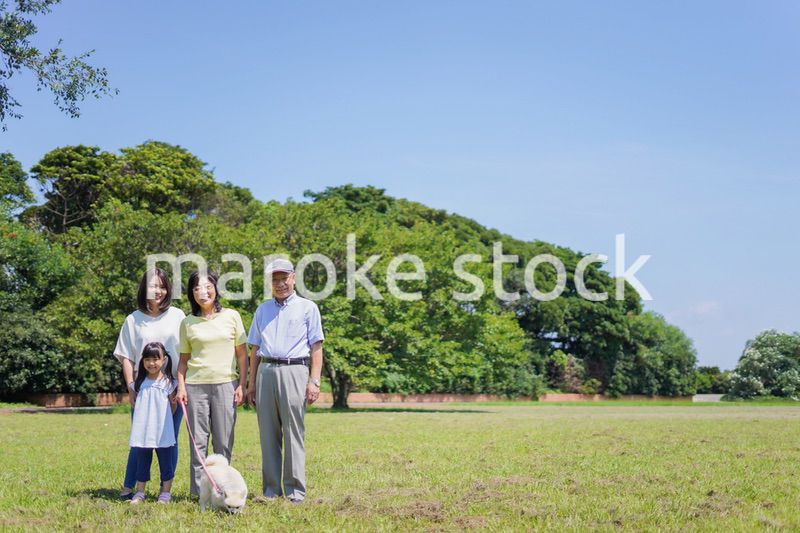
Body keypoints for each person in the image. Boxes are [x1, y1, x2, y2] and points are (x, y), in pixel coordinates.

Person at [246, 258, 324, 503]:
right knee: (268, 434)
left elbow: (316, 346)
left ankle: (295, 491)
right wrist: (250, 383)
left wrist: (314, 381)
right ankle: (271, 490)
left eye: (284, 278)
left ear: (293, 277)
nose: (280, 284)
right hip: (266, 370)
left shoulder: (308, 308)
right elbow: (254, 348)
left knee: (293, 433)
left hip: (295, 371)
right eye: (274, 279)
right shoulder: (262, 310)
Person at [114, 268, 185, 500]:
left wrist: (181, 386)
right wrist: (131, 386)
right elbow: (126, 356)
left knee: (168, 441)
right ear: (144, 287)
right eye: (153, 285)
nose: (158, 290)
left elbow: (186, 353)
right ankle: (130, 486)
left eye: (163, 286)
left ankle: (166, 490)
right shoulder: (133, 319)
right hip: (143, 390)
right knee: (140, 440)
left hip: (171, 390)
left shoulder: (177, 316)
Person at [175, 270, 248, 496]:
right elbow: (183, 361)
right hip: (195, 386)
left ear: (216, 289)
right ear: (191, 293)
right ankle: (199, 493)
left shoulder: (232, 316)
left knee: (223, 442)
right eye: (196, 288)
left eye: (207, 287)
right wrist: (181, 386)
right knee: (198, 444)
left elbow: (243, 355)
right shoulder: (188, 322)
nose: (202, 292)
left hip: (226, 384)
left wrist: (242, 384)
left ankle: (223, 490)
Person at [128, 342, 178, 504]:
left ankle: (165, 493)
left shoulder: (169, 382)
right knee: (142, 460)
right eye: (147, 359)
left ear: (164, 360)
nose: (151, 363)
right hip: (143, 430)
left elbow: (173, 404)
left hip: (163, 430)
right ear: (142, 361)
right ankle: (140, 492)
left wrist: (163, 421)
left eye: (156, 359)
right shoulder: (139, 382)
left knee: (166, 461)